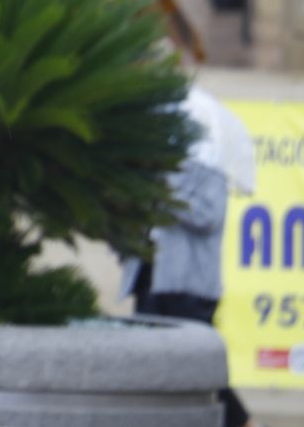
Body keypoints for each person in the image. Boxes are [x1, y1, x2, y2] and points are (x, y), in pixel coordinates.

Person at [121, 160, 253, 427]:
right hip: (150, 281)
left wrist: (166, 194)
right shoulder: (150, 170)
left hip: (190, 286)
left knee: (198, 367)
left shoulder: (209, 172)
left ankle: (243, 422)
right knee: (151, 366)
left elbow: (208, 217)